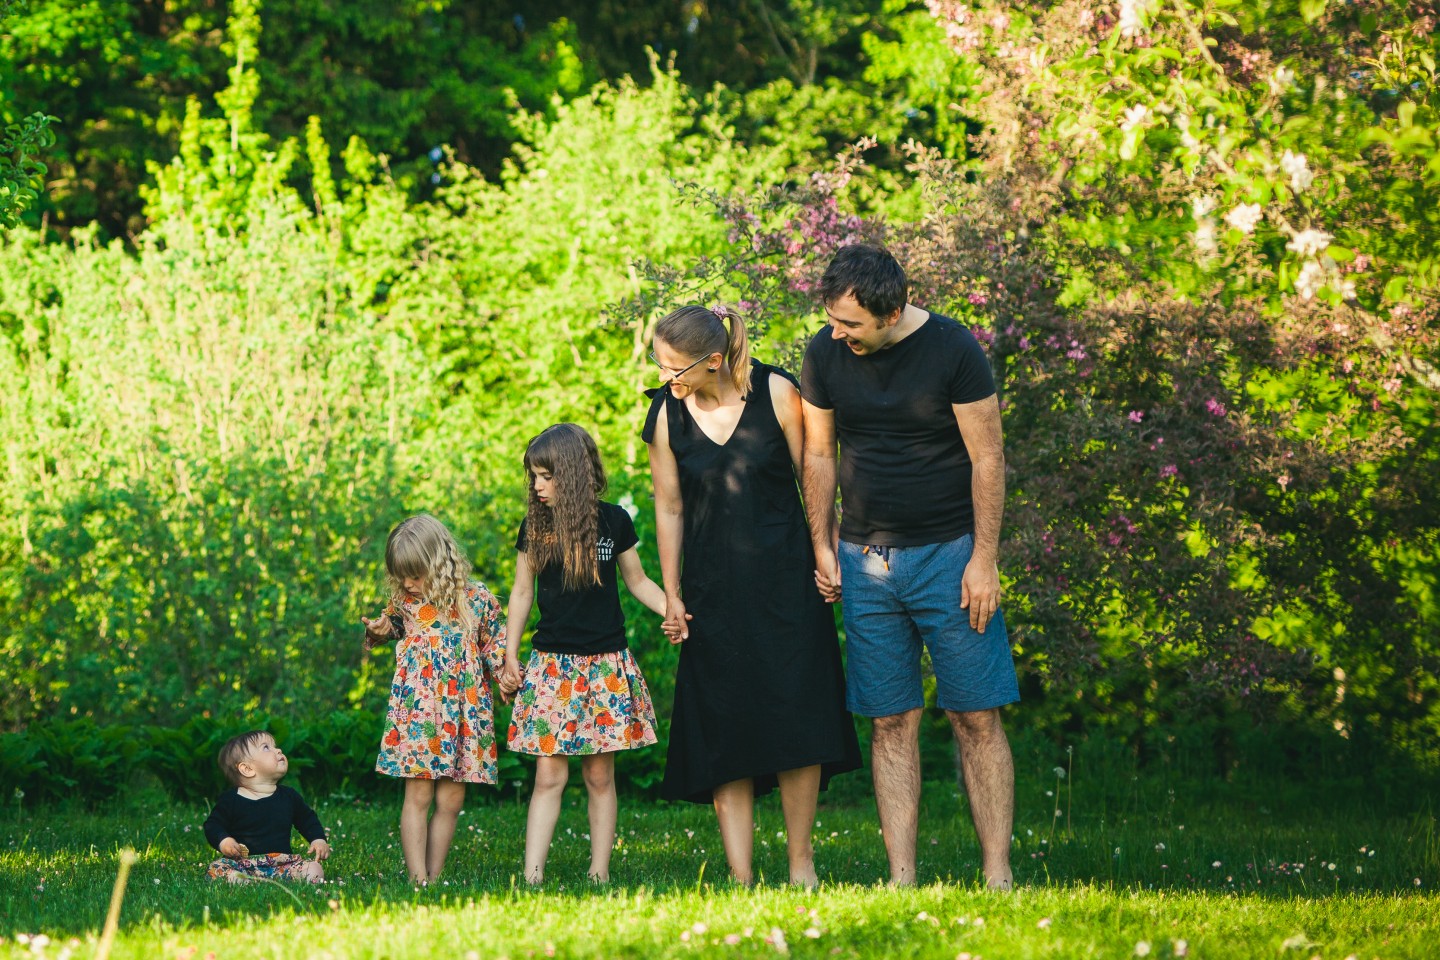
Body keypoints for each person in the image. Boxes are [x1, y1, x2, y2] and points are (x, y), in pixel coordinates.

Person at [800, 243, 1019, 889]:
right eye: (832, 320)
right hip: (865, 562)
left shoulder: (954, 349)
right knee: (890, 720)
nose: (837, 334)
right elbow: (819, 454)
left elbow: (988, 457)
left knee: (975, 716)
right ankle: (902, 879)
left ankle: (998, 874)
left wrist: (984, 559)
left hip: (952, 558)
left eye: (851, 323)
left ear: (891, 312)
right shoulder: (824, 354)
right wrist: (822, 545)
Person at [644, 304, 861, 888]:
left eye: (673, 367)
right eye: (658, 364)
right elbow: (669, 508)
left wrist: (826, 551)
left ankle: (800, 864)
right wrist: (671, 592)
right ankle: (739, 876)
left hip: (789, 585)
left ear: (713, 361)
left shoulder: (777, 393)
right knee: (725, 726)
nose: (664, 377)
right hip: (711, 593)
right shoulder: (665, 413)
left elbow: (814, 476)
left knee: (798, 718)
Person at [498, 423, 671, 884]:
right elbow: (521, 592)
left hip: (605, 666)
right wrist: (510, 655)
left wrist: (673, 610)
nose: (537, 487)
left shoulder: (614, 521)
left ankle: (599, 873)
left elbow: (638, 582)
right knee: (548, 778)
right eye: (534, 477)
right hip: (552, 668)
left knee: (599, 777)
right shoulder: (535, 527)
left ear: (571, 473)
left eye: (546, 476)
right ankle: (532, 875)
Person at [362, 514, 505, 884]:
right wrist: (379, 631)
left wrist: (507, 675)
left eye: (415, 575)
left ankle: (434, 877)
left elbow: (494, 644)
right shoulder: (404, 603)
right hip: (421, 712)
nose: (408, 584)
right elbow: (389, 628)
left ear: (439, 562)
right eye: (401, 577)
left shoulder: (477, 599)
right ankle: (417, 878)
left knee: (452, 800)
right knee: (419, 794)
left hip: (463, 711)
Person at [203, 730, 330, 883]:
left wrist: (318, 839)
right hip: (242, 864)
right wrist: (224, 841)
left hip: (282, 864)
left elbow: (307, 819)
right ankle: (241, 880)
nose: (278, 750)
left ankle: (285, 878)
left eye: (275, 746)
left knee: (314, 869)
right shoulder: (230, 800)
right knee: (217, 868)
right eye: (266, 747)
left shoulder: (289, 796)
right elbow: (213, 825)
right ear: (247, 769)